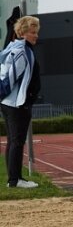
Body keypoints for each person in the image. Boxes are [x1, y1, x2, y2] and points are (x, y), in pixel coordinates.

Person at [0, 16, 41, 188]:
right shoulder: (22, 51)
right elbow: (9, 79)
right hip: (17, 104)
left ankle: (13, 179)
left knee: (13, 140)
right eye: (33, 32)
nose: (36, 36)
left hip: (12, 103)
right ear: (23, 33)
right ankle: (15, 180)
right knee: (17, 141)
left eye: (36, 32)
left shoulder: (13, 47)